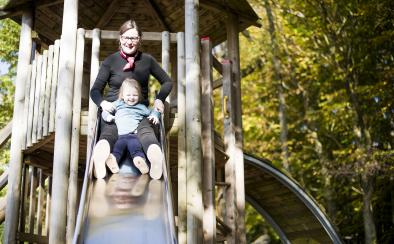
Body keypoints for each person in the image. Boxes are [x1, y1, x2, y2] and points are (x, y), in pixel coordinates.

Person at [90, 19, 173, 180]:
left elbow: (167, 82)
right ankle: (100, 158)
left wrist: (159, 99)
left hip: (139, 111)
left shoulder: (147, 60)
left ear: (139, 40)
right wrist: (103, 103)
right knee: (109, 132)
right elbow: (95, 91)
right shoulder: (110, 61)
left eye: (134, 38)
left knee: (146, 132)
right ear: (120, 38)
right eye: (127, 38)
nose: (130, 42)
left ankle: (155, 159)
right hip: (115, 109)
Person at [101, 78, 161, 178]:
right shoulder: (118, 104)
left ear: (139, 95)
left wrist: (155, 115)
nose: (131, 98)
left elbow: (153, 111)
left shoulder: (141, 107)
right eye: (128, 95)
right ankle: (113, 160)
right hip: (120, 136)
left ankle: (140, 161)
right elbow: (105, 111)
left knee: (136, 148)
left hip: (133, 135)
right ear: (122, 95)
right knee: (117, 149)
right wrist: (108, 117)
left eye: (135, 95)